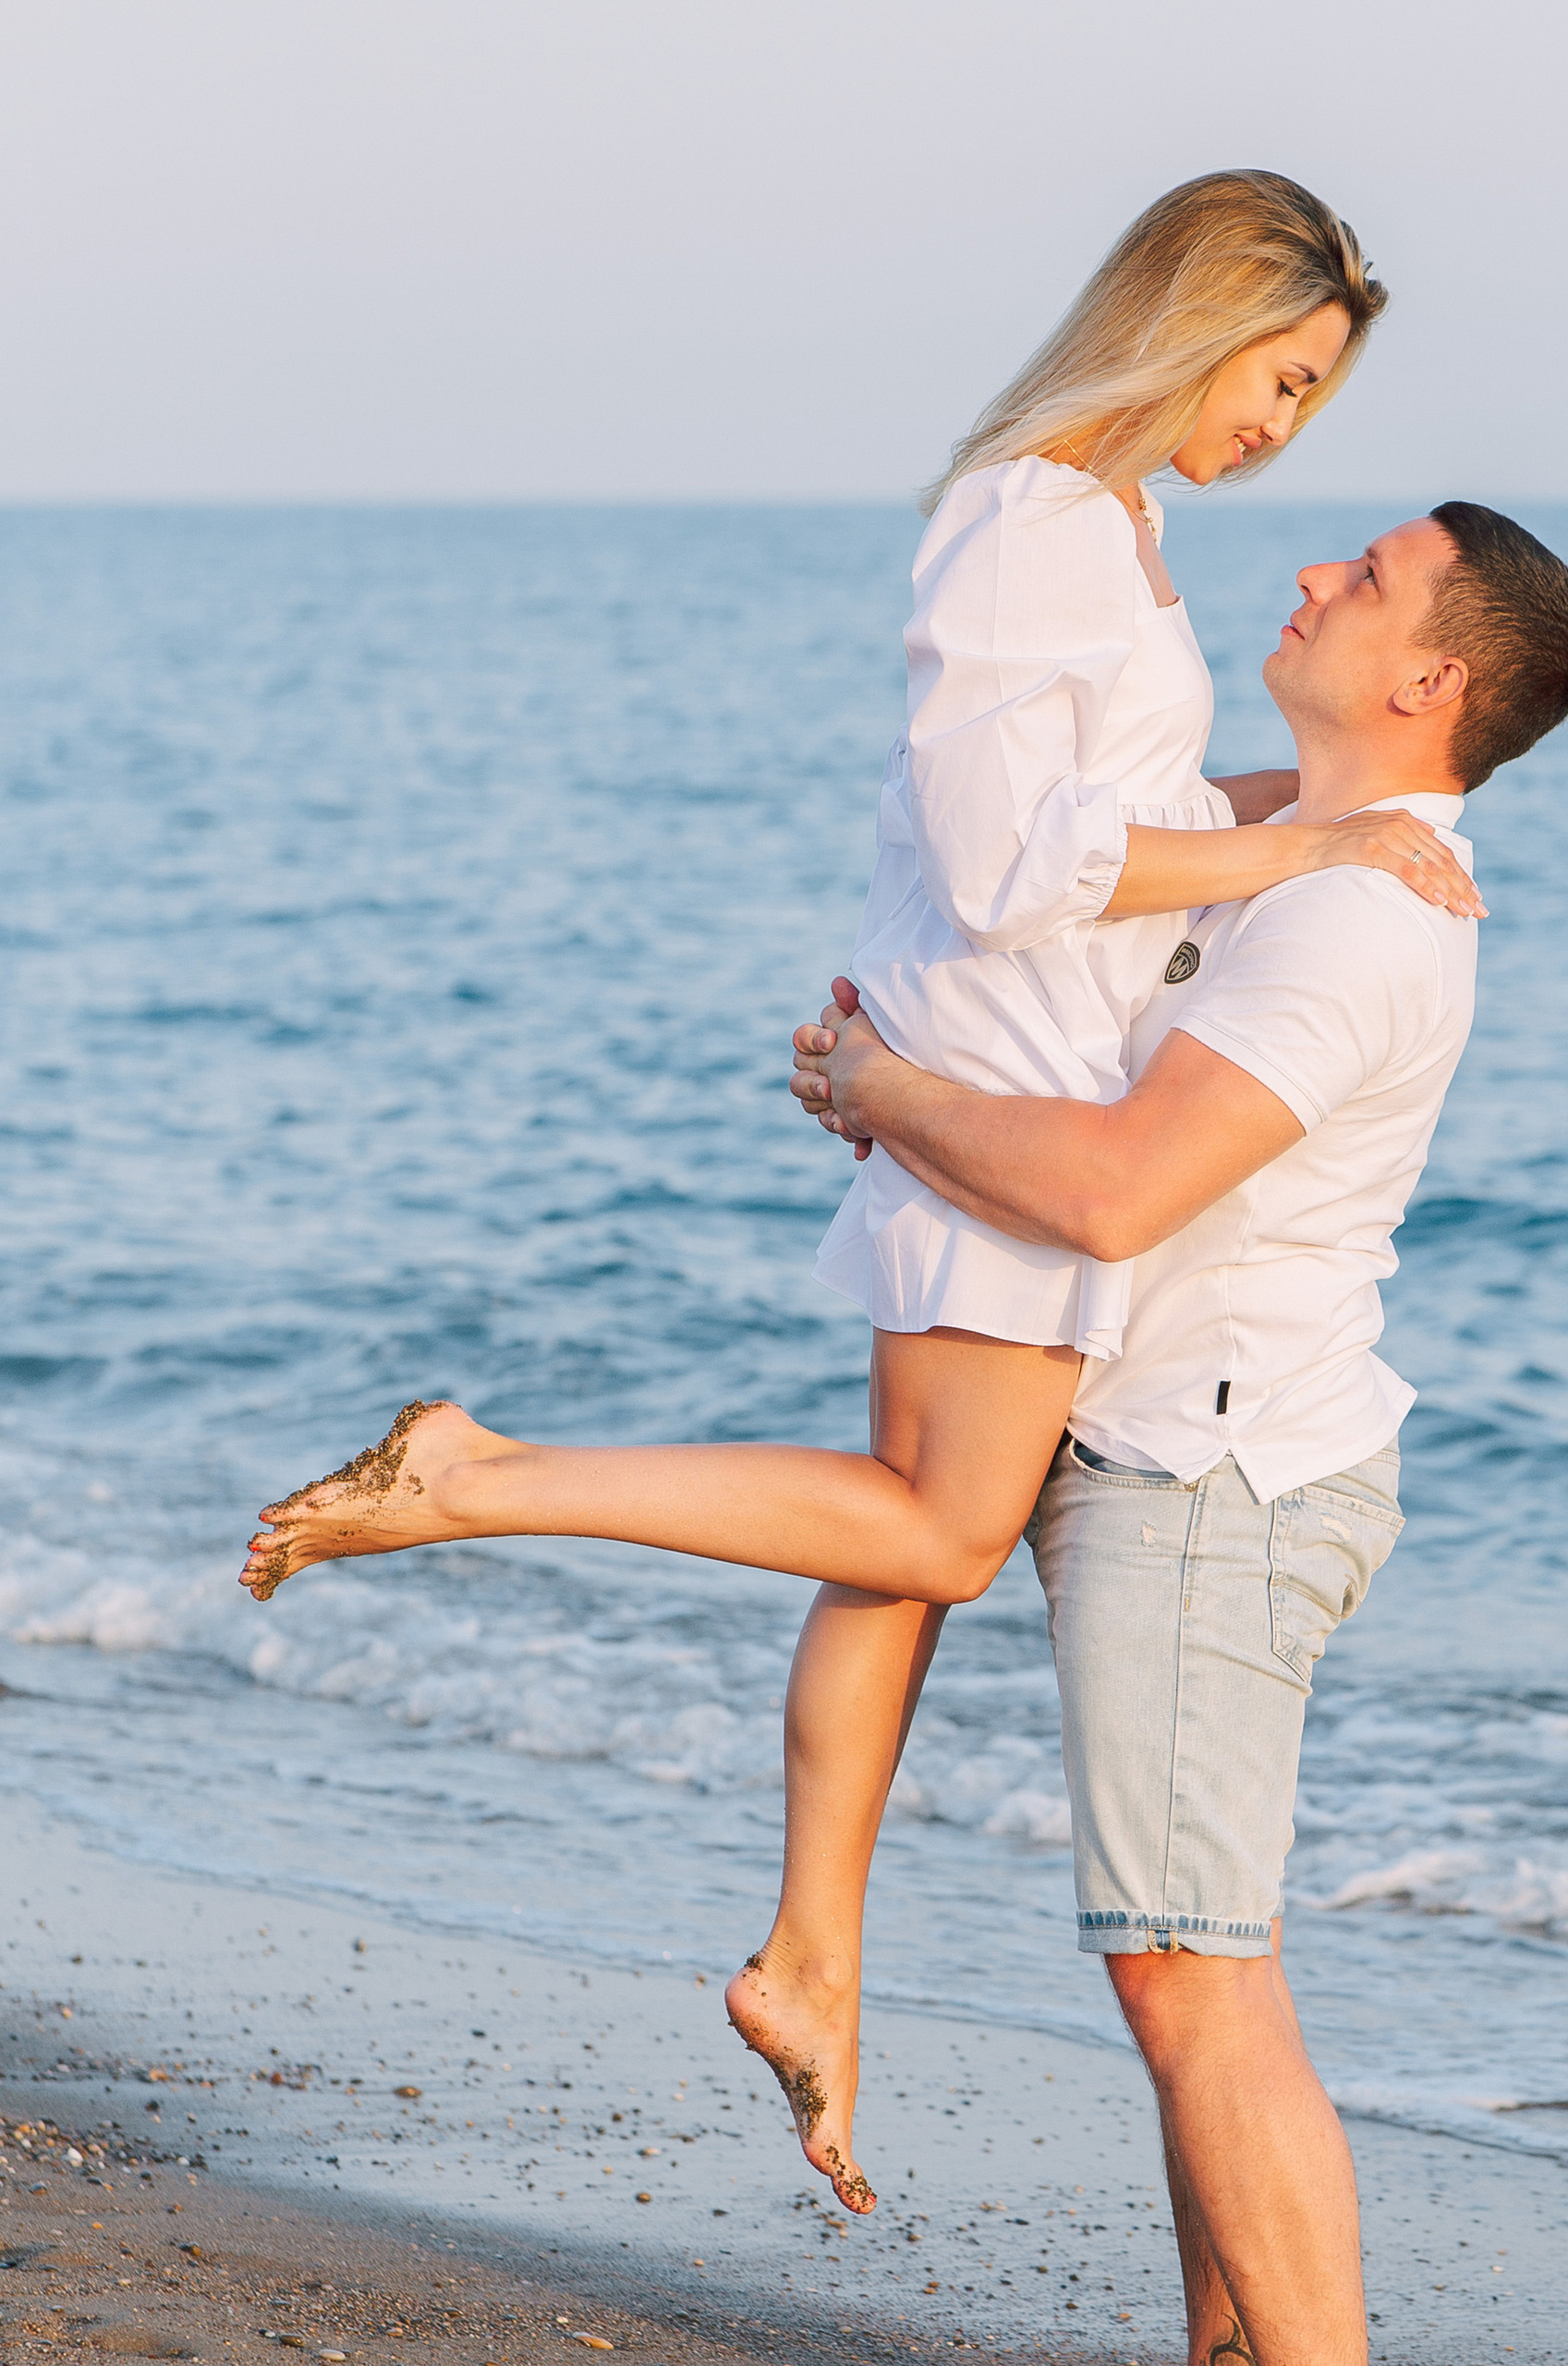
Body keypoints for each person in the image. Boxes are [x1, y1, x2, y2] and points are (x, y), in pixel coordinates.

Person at [237, 169, 1479, 2214]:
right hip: (994, 1068)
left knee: (906, 1541)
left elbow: (1113, 811)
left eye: (1313, 401)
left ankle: (813, 1949)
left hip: (1005, 1051)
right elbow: (1012, 867)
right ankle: (474, 1476)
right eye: (1277, 375)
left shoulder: (1115, 526)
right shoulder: (1033, 520)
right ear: (1189, 320)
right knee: (934, 1522)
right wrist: (1300, 859)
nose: (1282, 430)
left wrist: (1322, 812)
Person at [791, 501, 1568, 2366]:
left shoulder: (1349, 916)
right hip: (1174, 1457)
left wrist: (889, 1089)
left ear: (1428, 677)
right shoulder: (1283, 850)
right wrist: (883, 1078)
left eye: (1366, 577)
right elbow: (1036, 900)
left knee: (1192, 1975)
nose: (1311, 571)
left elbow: (1116, 1187)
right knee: (1190, 1965)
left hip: (1210, 1479)